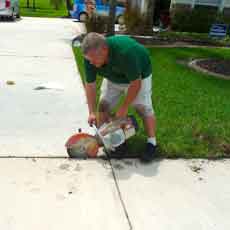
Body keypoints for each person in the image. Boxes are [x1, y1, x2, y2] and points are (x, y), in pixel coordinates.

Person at [81, 32, 157, 162]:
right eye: (89, 60)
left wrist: (124, 107)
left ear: (105, 50)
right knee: (103, 106)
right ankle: (114, 142)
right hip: (113, 77)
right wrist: (92, 112)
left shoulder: (126, 52)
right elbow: (90, 85)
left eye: (94, 59)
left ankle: (152, 143)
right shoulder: (90, 58)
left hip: (139, 76)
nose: (91, 63)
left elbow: (136, 83)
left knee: (142, 108)